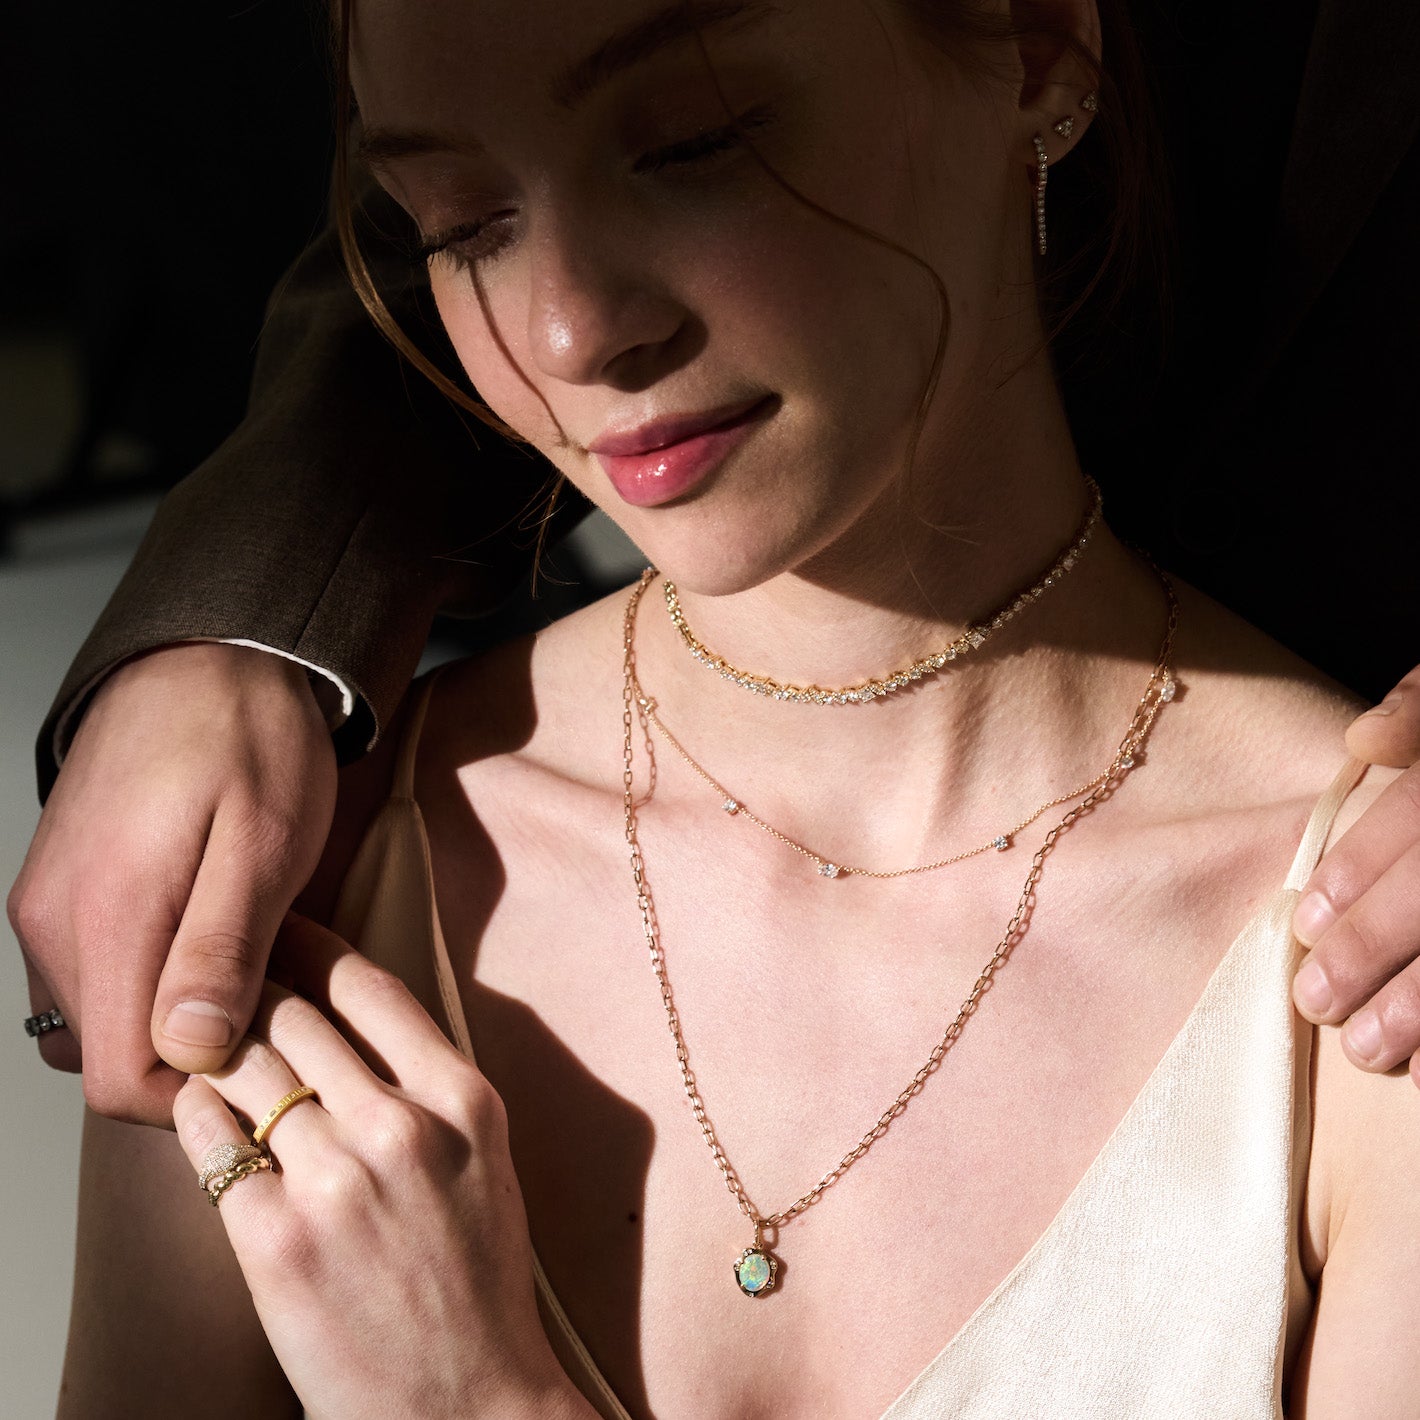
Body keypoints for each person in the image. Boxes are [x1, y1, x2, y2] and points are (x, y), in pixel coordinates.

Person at [53, 0, 1420, 1415]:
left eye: (695, 145)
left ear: (1031, 44)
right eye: (462, 222)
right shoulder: (285, 888)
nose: (574, 329)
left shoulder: (1372, 955)